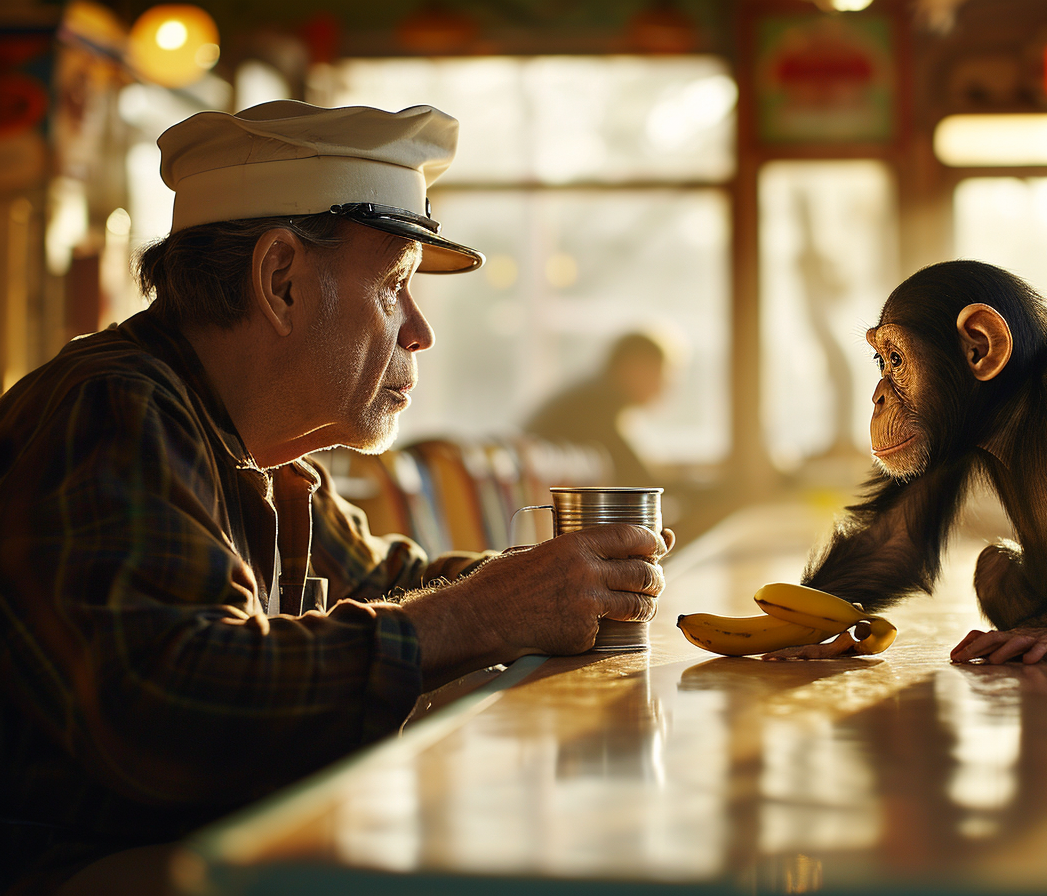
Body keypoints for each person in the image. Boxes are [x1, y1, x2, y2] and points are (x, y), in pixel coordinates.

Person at [0, 101, 672, 893]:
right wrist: (489, 610)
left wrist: (569, 584)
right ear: (280, 280)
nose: (419, 331)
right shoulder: (112, 407)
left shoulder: (267, 460)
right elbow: (169, 704)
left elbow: (395, 585)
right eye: (394, 286)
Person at [524, 332, 668, 485]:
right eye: (660, 374)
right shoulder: (599, 405)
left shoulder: (594, 392)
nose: (663, 387)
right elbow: (637, 479)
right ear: (634, 366)